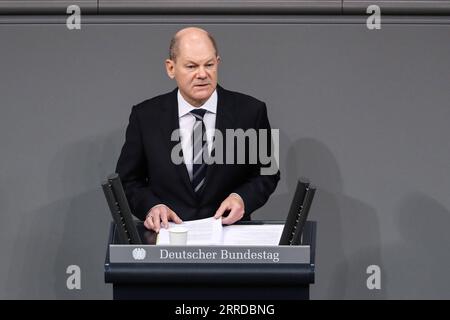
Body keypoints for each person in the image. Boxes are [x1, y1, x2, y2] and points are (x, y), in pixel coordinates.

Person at [116, 27, 280, 232]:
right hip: (169, 239)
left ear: (218, 63)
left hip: (230, 239)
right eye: (192, 66)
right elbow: (128, 181)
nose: (202, 74)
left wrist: (242, 199)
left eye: (209, 65)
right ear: (171, 68)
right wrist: (152, 207)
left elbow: (268, 173)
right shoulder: (145, 116)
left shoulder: (252, 111)